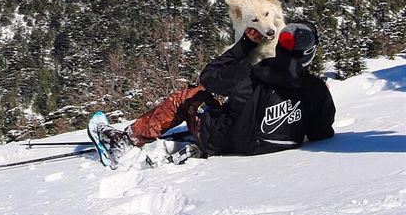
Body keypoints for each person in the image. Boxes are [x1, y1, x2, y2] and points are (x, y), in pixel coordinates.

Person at [88, 22, 336, 168]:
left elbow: (208, 77)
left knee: (187, 96)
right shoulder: (316, 90)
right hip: (269, 148)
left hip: (220, 142)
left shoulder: (253, 73)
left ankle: (123, 142)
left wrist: (244, 46)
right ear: (309, 55)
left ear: (280, 46)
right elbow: (320, 133)